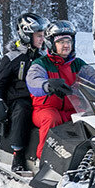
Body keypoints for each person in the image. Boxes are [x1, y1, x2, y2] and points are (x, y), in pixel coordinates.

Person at [0, 13, 48, 171]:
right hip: (18, 100)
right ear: (27, 35)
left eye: (43, 36)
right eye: (38, 36)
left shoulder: (43, 57)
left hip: (40, 99)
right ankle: (18, 154)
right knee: (23, 109)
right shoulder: (12, 57)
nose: (42, 39)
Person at [26, 20, 86, 160]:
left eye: (69, 41)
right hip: (46, 109)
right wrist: (47, 85)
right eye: (61, 42)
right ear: (51, 43)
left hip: (73, 109)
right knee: (51, 119)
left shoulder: (78, 64)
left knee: (93, 119)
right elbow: (33, 81)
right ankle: (44, 159)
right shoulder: (41, 63)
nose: (66, 45)